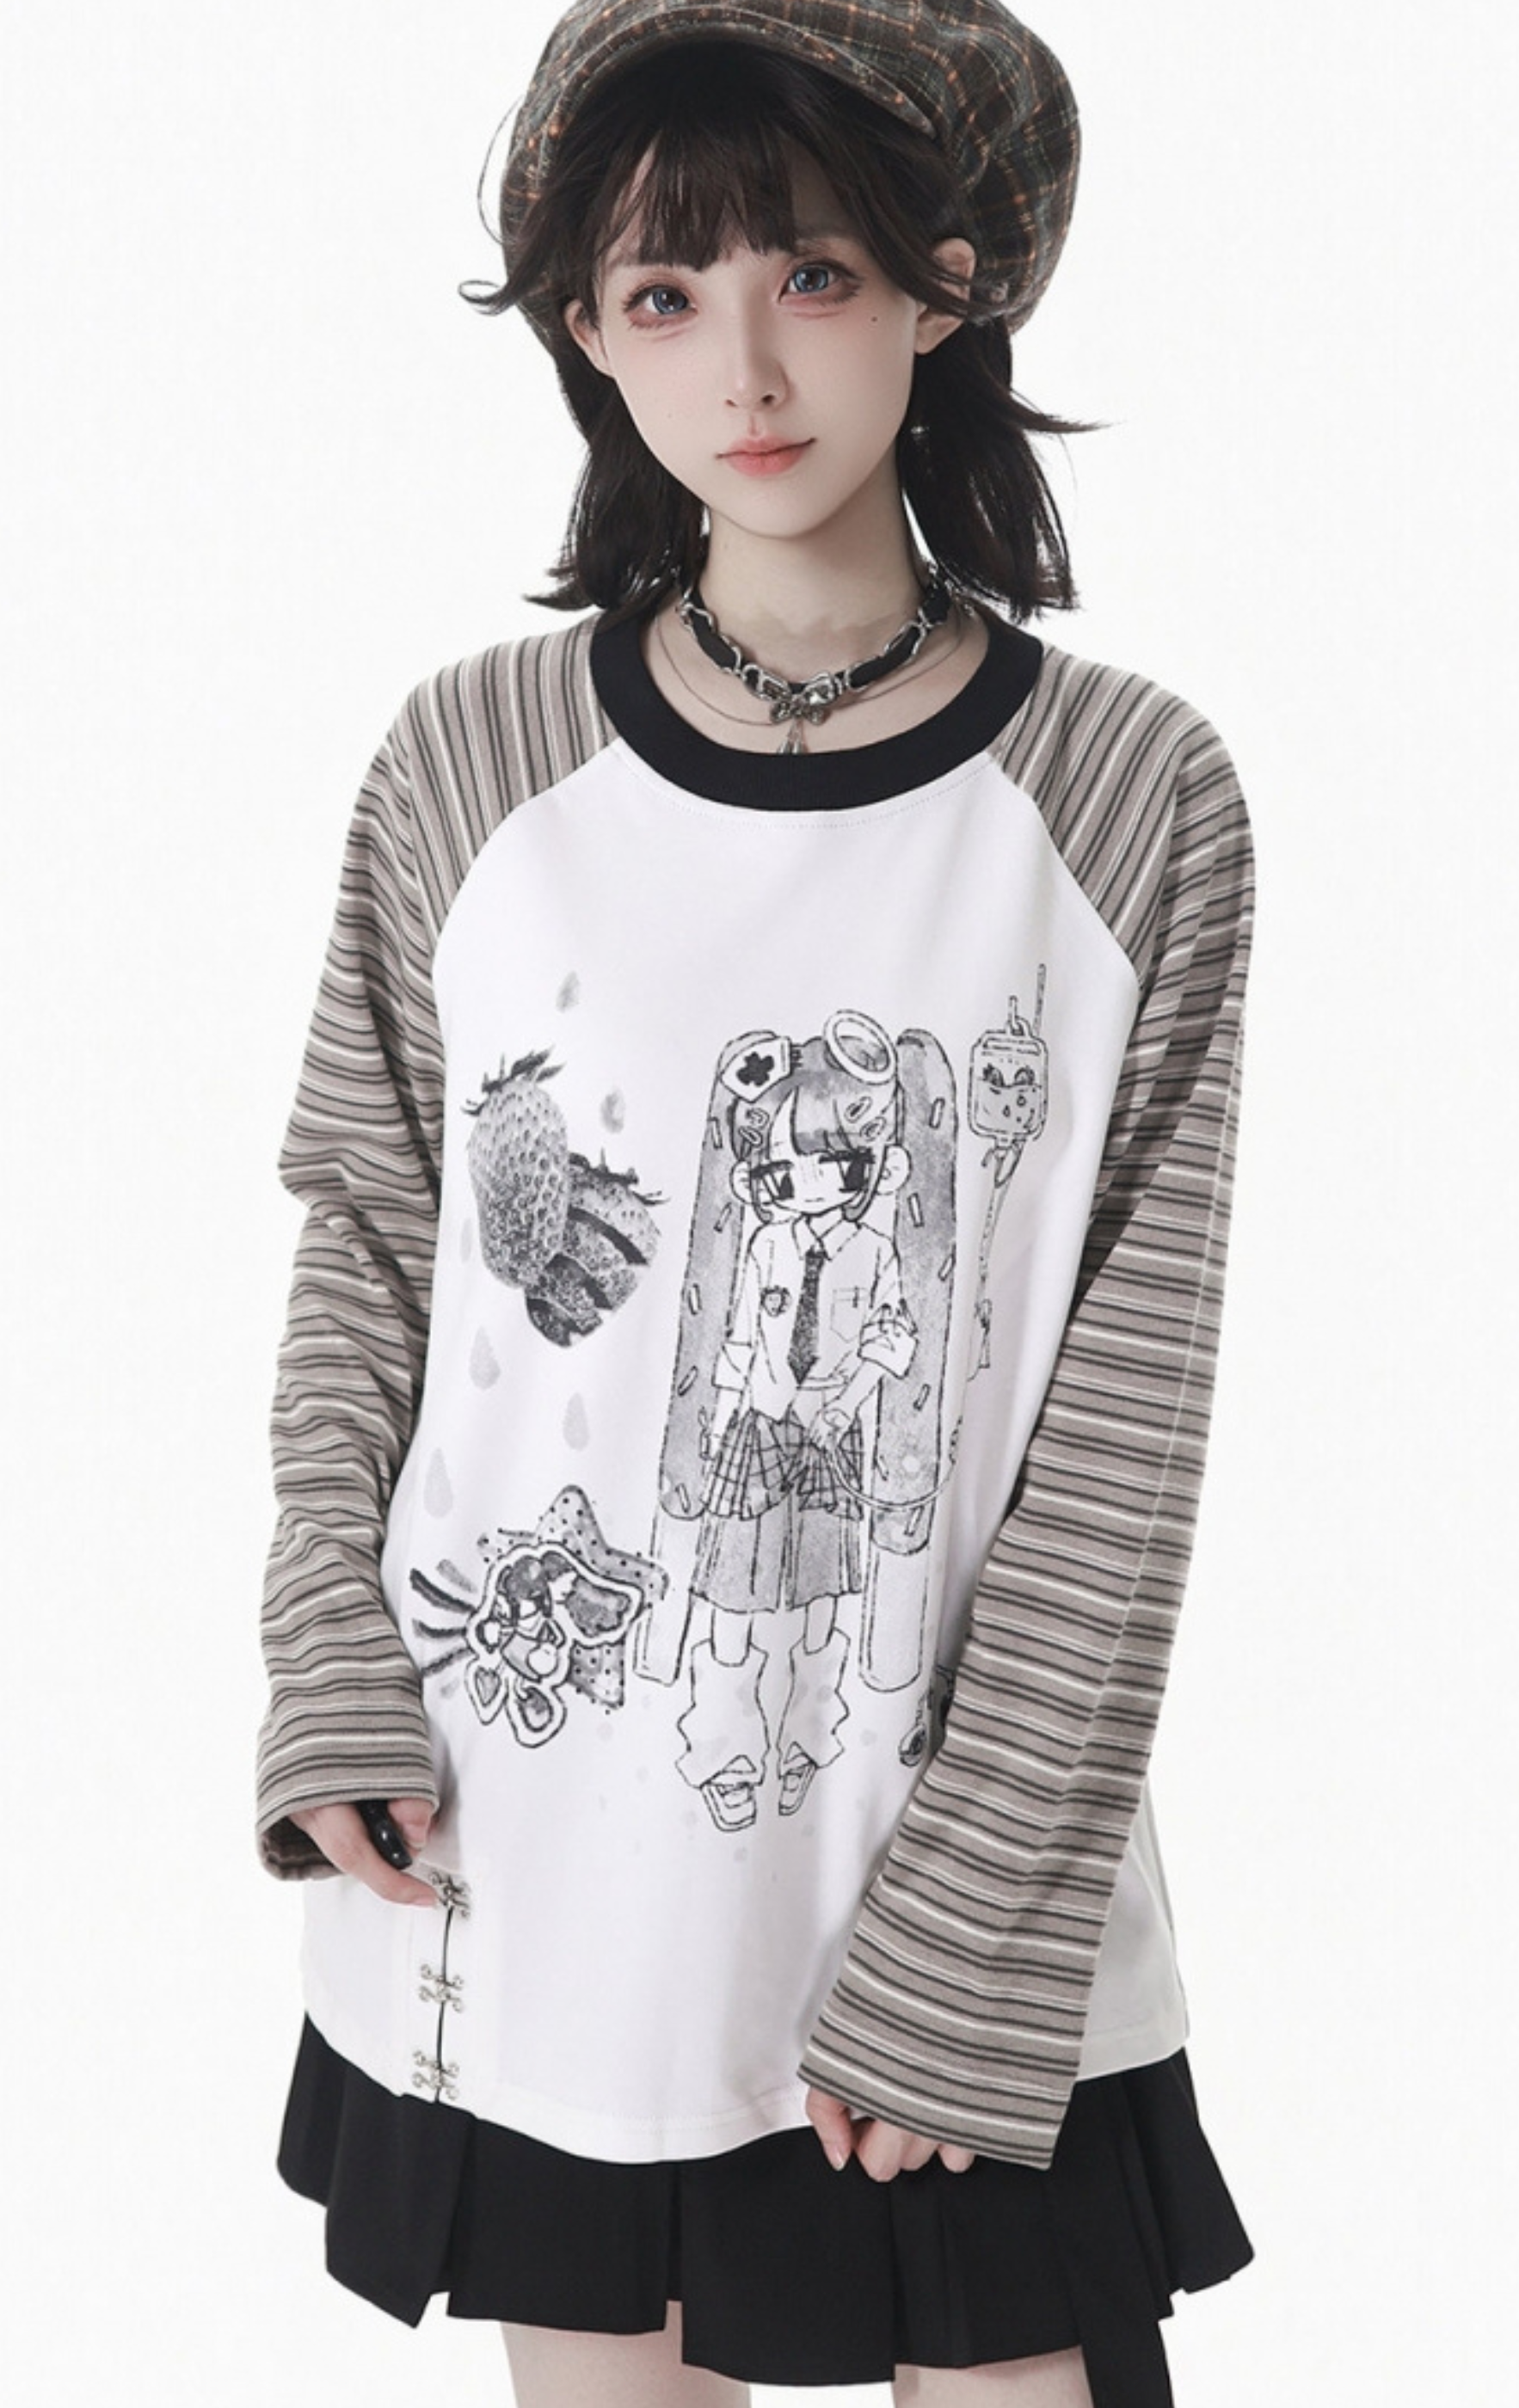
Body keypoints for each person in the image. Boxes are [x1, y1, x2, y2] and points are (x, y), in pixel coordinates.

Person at [255, 5, 1258, 2404]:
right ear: (589, 338)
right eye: (662, 293)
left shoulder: (1128, 799)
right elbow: (370, 1240)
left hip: (958, 1876)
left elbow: (1126, 1415)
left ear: (944, 281)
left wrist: (980, 1923)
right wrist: (326, 1656)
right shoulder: (472, 762)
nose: (745, 368)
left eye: (809, 272)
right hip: (541, 1854)